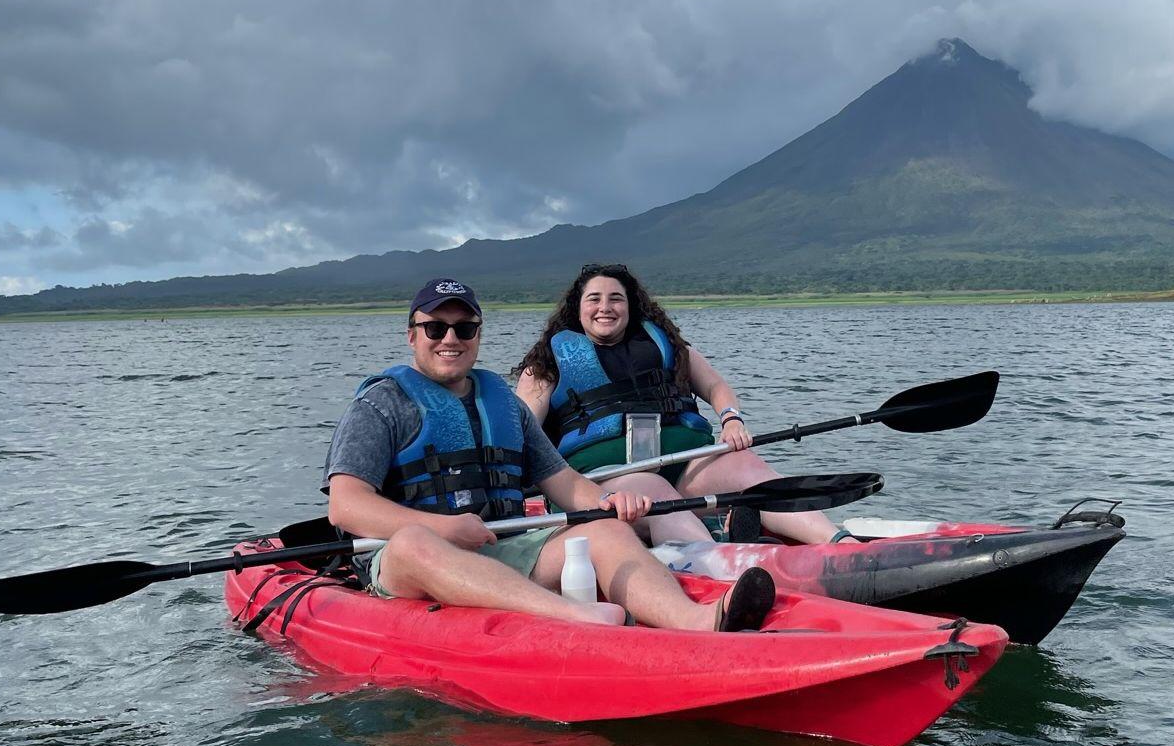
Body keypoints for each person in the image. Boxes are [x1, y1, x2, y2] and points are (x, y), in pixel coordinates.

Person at [324, 277, 774, 631]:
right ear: (412, 336)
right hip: (409, 563)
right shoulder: (381, 405)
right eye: (435, 328)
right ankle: (575, 618)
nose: (450, 339)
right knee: (415, 543)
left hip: (504, 545)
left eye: (464, 328)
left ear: (477, 334)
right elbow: (346, 506)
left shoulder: (503, 403)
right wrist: (444, 527)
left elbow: (565, 482)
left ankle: (697, 621)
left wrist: (606, 504)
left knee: (605, 531)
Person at [513, 263, 847, 546]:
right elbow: (520, 430)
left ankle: (839, 544)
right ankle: (721, 559)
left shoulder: (665, 344)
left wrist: (731, 420)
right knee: (655, 491)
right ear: (577, 308)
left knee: (747, 467)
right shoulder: (548, 363)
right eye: (594, 299)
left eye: (616, 298)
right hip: (608, 483)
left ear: (630, 306)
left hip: (686, 467)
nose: (606, 307)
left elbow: (715, 386)